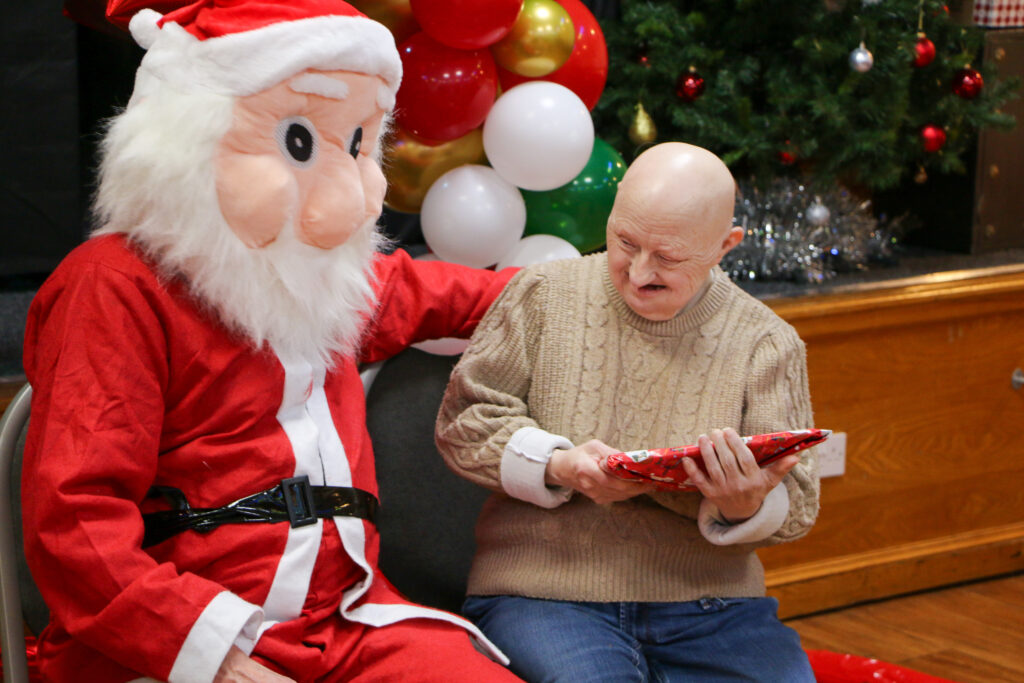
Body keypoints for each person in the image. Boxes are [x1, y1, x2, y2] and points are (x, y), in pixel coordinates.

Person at [20, 2, 525, 681]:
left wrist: (610, 282)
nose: (353, 196)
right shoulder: (114, 286)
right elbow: (77, 527)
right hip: (176, 641)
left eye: (357, 145)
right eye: (299, 142)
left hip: (343, 624)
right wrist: (217, 660)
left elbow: (472, 296)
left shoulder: (325, 279)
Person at [435, 142, 820, 682]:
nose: (639, 273)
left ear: (725, 246)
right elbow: (463, 422)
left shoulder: (767, 342)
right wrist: (558, 465)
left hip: (713, 605)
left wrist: (745, 506)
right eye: (625, 242)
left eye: (668, 257)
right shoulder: (542, 294)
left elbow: (797, 503)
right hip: (543, 592)